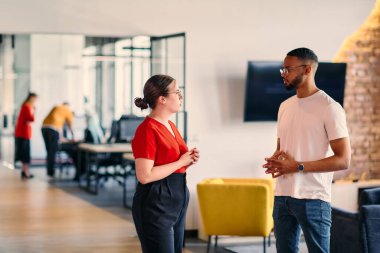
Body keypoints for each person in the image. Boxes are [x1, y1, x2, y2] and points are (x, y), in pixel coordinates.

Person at [262, 48, 351, 253]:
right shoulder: (285, 106)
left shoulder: (330, 107)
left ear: (307, 69)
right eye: (282, 69)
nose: (284, 74)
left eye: (289, 69)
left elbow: (343, 160)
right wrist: (276, 160)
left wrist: (297, 166)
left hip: (314, 198)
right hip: (282, 196)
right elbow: (282, 147)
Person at [131, 74, 200, 253]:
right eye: (177, 92)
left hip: (177, 200)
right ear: (162, 99)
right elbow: (144, 176)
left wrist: (187, 161)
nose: (180, 96)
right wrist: (180, 162)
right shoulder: (146, 130)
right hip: (156, 203)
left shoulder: (170, 125)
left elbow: (172, 163)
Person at [41, 102, 74, 177]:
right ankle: (51, 172)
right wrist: (72, 135)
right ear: (68, 106)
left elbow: (57, 122)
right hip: (52, 129)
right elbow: (69, 125)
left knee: (49, 151)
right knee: (53, 151)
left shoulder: (56, 107)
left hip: (44, 127)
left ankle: (49, 170)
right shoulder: (68, 111)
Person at [15, 92, 38, 180]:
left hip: (23, 133)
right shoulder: (27, 107)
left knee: (24, 153)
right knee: (25, 153)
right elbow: (31, 119)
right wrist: (34, 111)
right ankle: (26, 172)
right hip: (23, 133)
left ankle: (25, 171)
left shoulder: (25, 106)